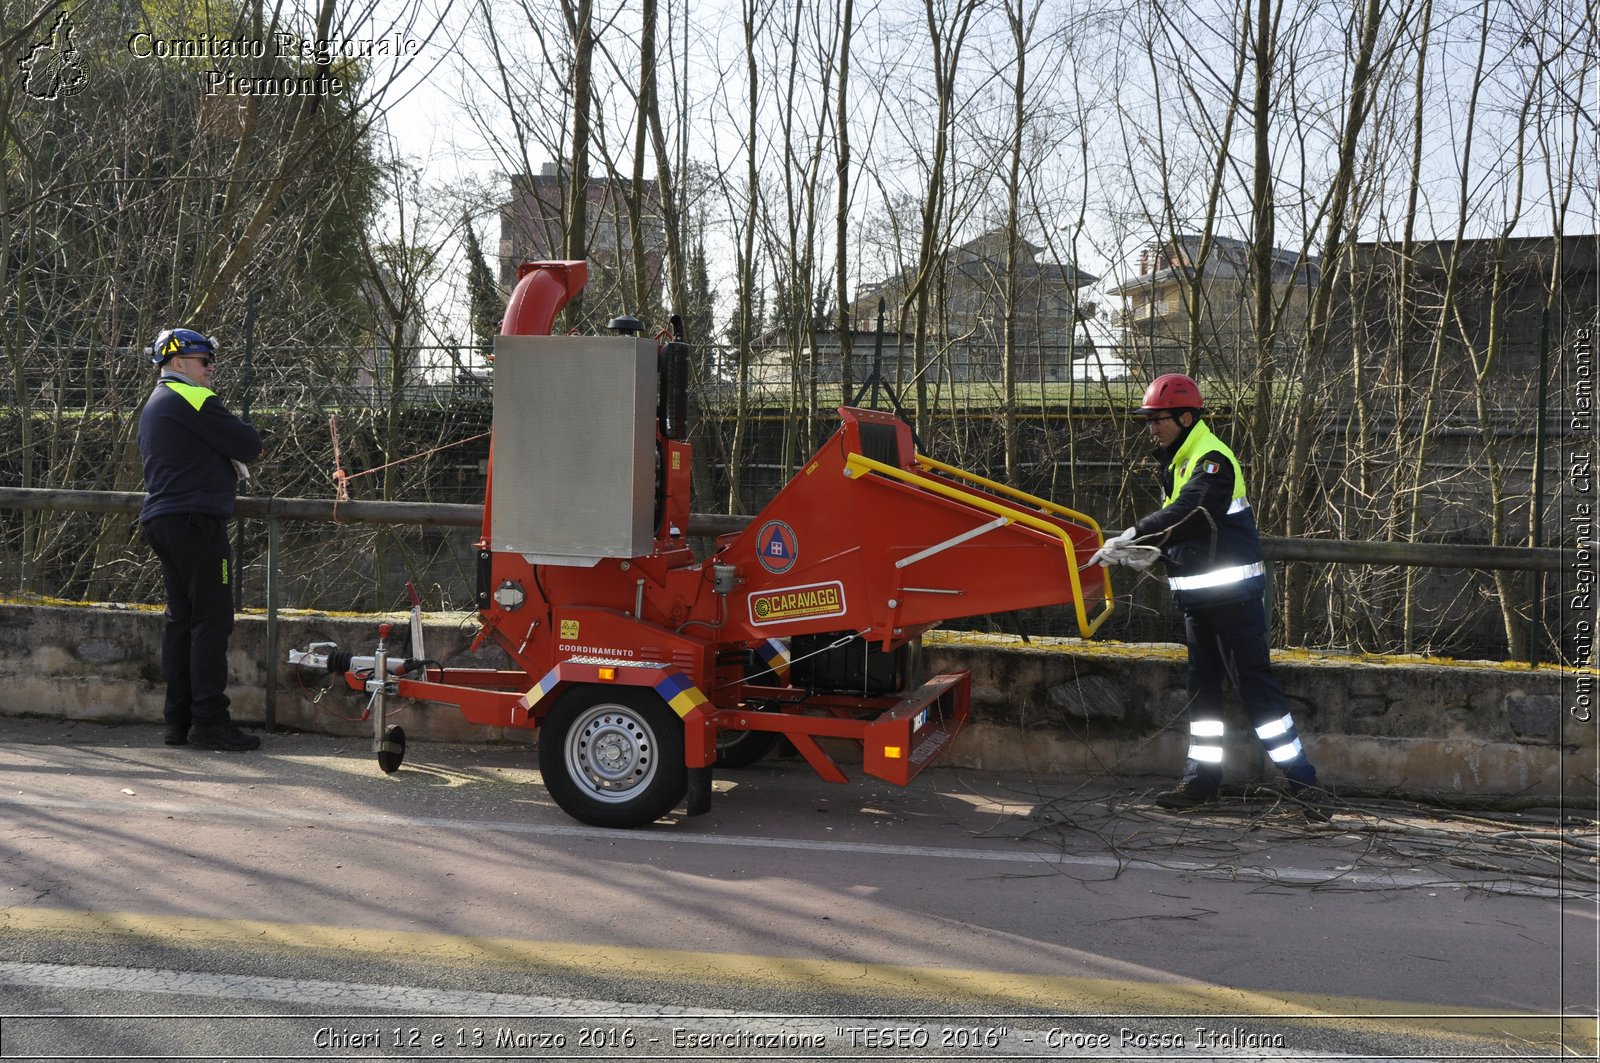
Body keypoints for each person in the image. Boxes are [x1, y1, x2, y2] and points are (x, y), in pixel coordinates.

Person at [1097, 373, 1325, 816]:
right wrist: (1153, 549)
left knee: (1258, 695)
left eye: (1158, 420)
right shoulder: (1180, 459)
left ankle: (1305, 784)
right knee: (1204, 698)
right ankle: (1201, 782)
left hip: (1233, 601)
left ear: (1185, 417)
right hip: (1201, 604)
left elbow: (1193, 510)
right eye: (1148, 421)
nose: (1151, 429)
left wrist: (1137, 533)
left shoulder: (1211, 459)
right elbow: (1190, 530)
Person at [138, 327, 264, 752]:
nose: (211, 369)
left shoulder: (155, 403)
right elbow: (249, 443)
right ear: (177, 363)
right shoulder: (191, 397)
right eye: (203, 360)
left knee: (181, 622)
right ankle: (210, 722)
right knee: (212, 621)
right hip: (197, 523)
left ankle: (179, 722)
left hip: (166, 521)